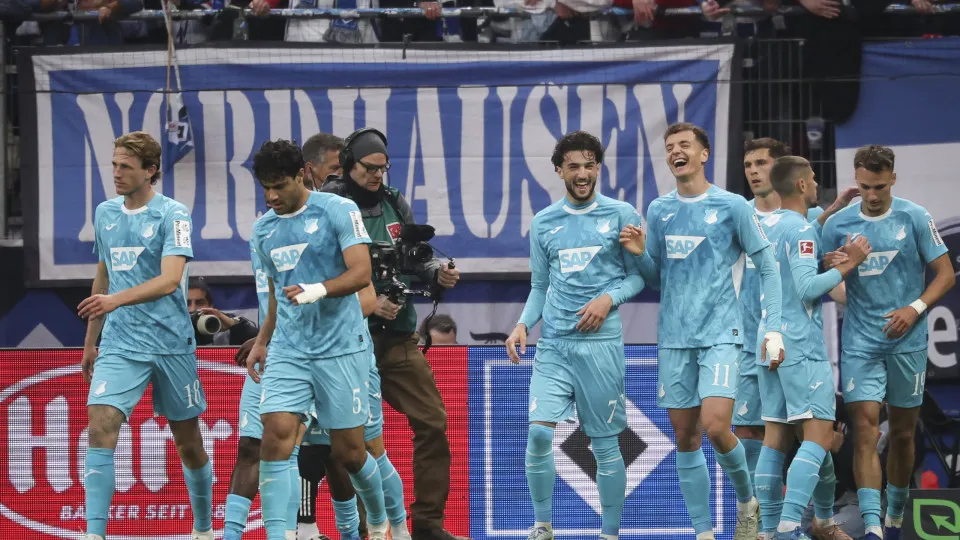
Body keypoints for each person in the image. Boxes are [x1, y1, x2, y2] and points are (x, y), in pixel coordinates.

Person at [618, 122, 784, 540]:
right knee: (686, 437)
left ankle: (746, 502)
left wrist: (774, 329)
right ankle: (704, 533)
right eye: (670, 146)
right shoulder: (659, 210)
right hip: (674, 339)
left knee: (716, 426)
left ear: (704, 154)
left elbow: (768, 265)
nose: (676, 151)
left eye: (685, 145)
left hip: (721, 335)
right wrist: (639, 255)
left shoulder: (732, 206)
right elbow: (656, 277)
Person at [321, 128, 466, 540]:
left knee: (433, 422)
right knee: (350, 441)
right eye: (369, 168)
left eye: (383, 169)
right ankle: (364, 529)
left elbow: (413, 259)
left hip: (397, 337)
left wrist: (436, 273)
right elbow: (321, 275)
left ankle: (428, 524)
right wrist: (368, 302)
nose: (377, 176)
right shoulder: (329, 205)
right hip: (347, 342)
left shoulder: (392, 201)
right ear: (348, 164)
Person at [244, 139, 389, 540]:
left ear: (301, 175)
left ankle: (380, 522)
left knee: (350, 454)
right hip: (289, 350)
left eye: (279, 186)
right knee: (275, 435)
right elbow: (276, 293)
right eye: (265, 188)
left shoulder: (338, 209)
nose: (272, 196)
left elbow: (361, 273)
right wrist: (262, 340)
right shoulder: (263, 229)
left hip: (339, 348)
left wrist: (319, 290)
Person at [504, 130, 645, 540]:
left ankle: (610, 534)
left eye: (588, 166)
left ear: (598, 168)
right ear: (559, 171)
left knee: (605, 445)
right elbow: (539, 286)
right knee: (538, 433)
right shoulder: (544, 222)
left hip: (600, 348)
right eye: (573, 167)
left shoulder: (621, 214)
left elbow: (639, 278)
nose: (582, 174)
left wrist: (608, 300)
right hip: (554, 346)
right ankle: (542, 526)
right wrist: (522, 324)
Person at [77, 131, 213, 540]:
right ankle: (94, 534)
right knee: (100, 424)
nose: (116, 173)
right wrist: (91, 342)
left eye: (126, 166)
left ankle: (203, 528)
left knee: (188, 443)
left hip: (171, 343)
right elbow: (103, 277)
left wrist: (114, 300)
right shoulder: (105, 213)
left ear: (151, 170)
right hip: (120, 343)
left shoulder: (174, 215)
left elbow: (170, 280)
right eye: (114, 164)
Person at [821, 145, 956, 540]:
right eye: (865, 187)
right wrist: (841, 281)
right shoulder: (838, 224)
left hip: (907, 342)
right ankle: (872, 526)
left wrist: (914, 309)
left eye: (879, 186)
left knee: (901, 433)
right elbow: (819, 276)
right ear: (856, 180)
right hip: (860, 342)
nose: (873, 195)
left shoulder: (915, 217)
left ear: (893, 178)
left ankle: (895, 513)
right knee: (864, 429)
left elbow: (945, 274)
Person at [738, 138, 854, 540]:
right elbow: (807, 288)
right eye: (814, 179)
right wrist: (847, 266)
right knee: (818, 438)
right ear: (803, 184)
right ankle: (790, 527)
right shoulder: (801, 228)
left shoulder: (764, 226)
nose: (816, 184)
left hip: (765, 340)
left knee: (775, 439)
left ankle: (769, 531)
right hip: (798, 344)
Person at [300, 281, 412, 540]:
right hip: (307, 360)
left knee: (369, 449)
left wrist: (321, 307)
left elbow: (367, 296)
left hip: (353, 360)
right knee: (323, 450)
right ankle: (339, 533)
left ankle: (398, 530)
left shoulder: (346, 258)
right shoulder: (292, 262)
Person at [222, 240, 314, 540]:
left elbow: (318, 300)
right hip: (269, 354)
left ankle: (286, 534)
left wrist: (267, 337)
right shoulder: (262, 236)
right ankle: (231, 535)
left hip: (309, 356)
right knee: (249, 446)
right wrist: (262, 337)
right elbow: (274, 303)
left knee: (290, 451)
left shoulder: (320, 228)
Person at [187, 276, 260, 346]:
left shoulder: (224, 322)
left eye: (200, 303)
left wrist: (234, 325)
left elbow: (261, 341)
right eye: (186, 304)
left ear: (210, 306)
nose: (193, 309)